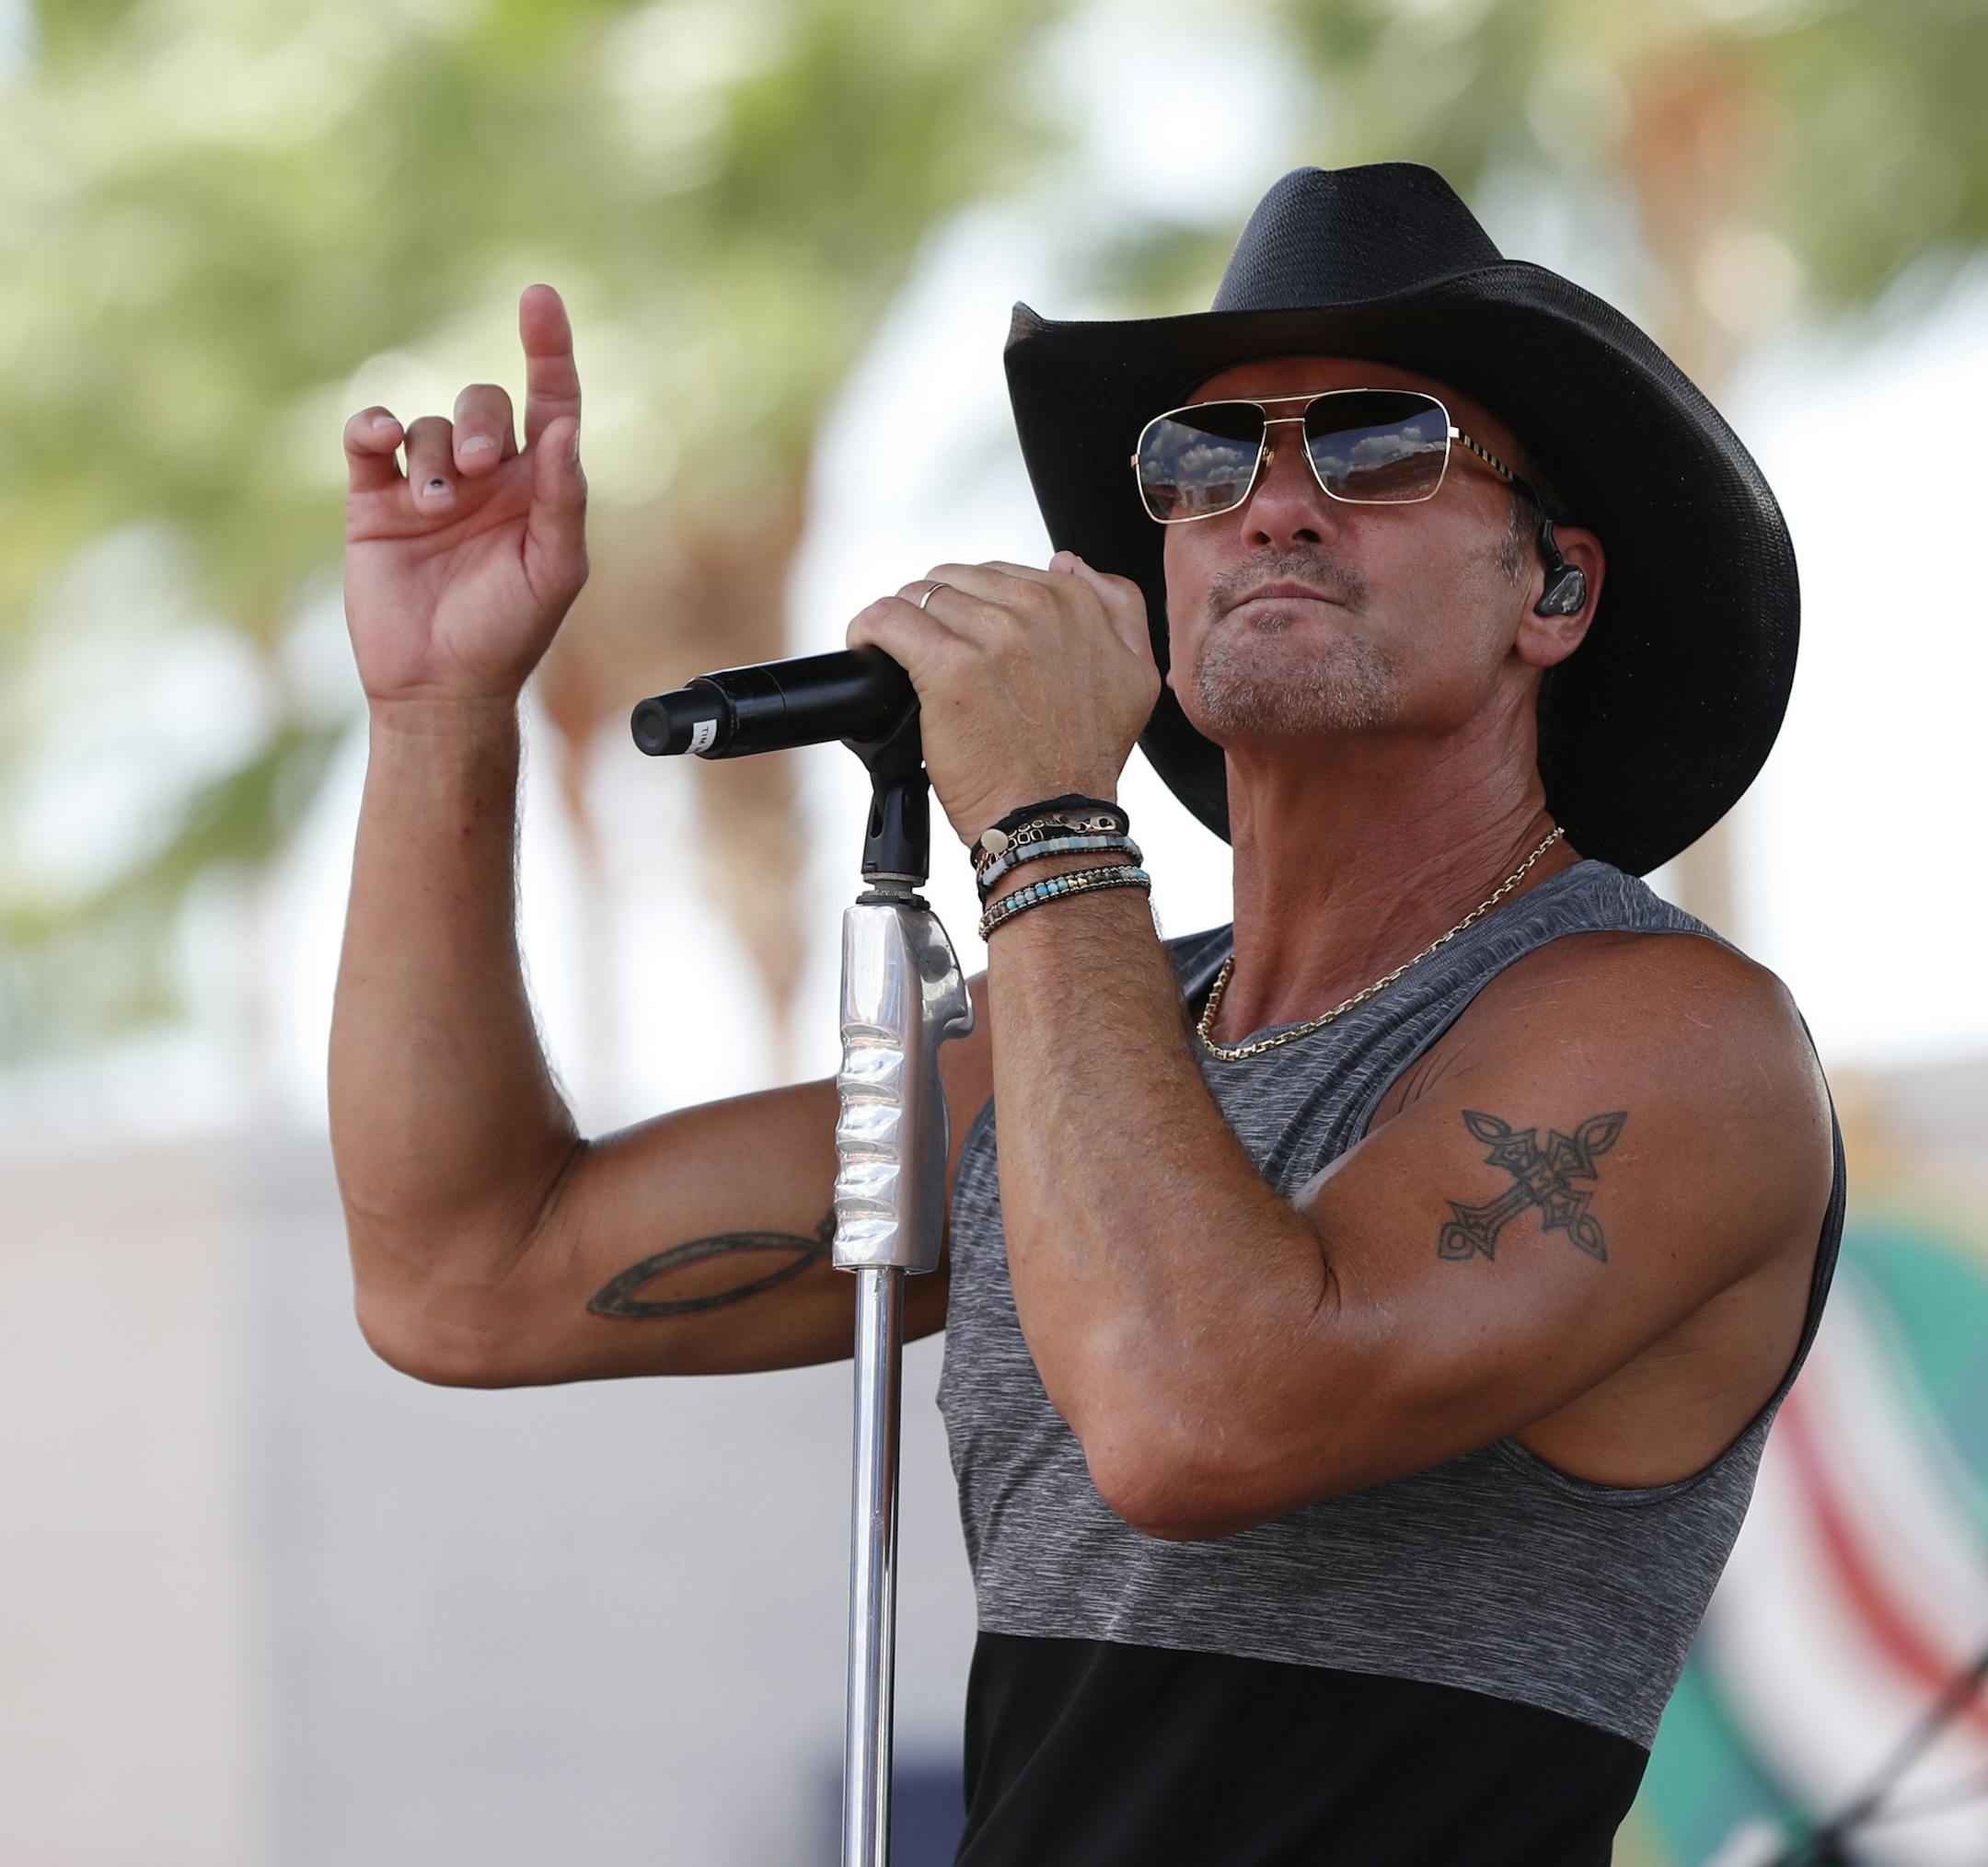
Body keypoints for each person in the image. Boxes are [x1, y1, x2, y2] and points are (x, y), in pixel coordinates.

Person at [332, 162, 1844, 1866]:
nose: (1275, 506)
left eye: (1379, 446)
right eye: (1206, 464)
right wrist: (439, 711)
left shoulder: (1669, 1037)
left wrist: (1048, 821)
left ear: (1551, 592)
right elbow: (466, 1275)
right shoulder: (1080, 1034)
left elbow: (1197, 1413)